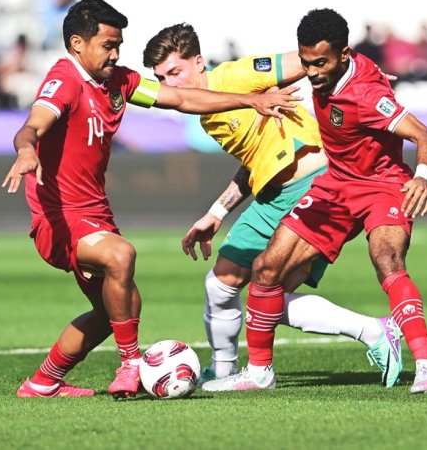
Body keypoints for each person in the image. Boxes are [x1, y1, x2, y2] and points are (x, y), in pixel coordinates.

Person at [2, 0, 301, 399]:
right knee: (121, 256)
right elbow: (33, 124)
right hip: (60, 217)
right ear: (77, 43)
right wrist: (26, 148)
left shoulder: (119, 82)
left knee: (115, 311)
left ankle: (42, 382)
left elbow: (181, 99)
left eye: (118, 45)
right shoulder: (65, 79)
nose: (115, 54)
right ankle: (131, 365)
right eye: (107, 45)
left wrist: (250, 99)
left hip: (94, 213)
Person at [142, 23, 404, 389]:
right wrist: (217, 212)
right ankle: (223, 372)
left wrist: (361, 68)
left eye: (175, 72)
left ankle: (375, 332)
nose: (171, 84)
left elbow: (308, 58)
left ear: (199, 61)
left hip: (313, 187)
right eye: (161, 78)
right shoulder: (206, 114)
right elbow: (254, 162)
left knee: (269, 293)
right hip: (270, 197)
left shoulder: (237, 75)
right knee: (220, 285)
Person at [202, 8, 427, 394]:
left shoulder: (367, 95)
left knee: (388, 261)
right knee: (267, 269)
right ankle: (259, 373)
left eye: (322, 63)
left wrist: (422, 176)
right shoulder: (330, 70)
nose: (313, 72)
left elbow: (424, 136)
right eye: (307, 63)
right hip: (335, 184)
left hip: (382, 185)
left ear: (344, 55)